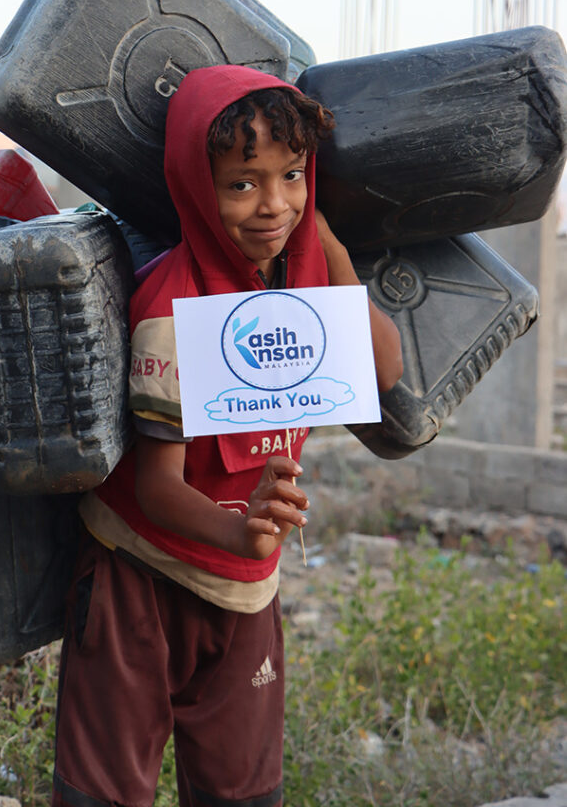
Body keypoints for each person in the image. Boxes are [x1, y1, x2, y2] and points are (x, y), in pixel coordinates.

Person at [52, 65, 403, 807]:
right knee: (106, 790)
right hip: (139, 571)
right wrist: (239, 533)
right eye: (242, 184)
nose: (273, 204)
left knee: (242, 790)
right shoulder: (172, 309)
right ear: (196, 188)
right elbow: (158, 488)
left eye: (291, 176)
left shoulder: (301, 272)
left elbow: (382, 369)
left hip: (244, 584)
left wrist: (328, 244)